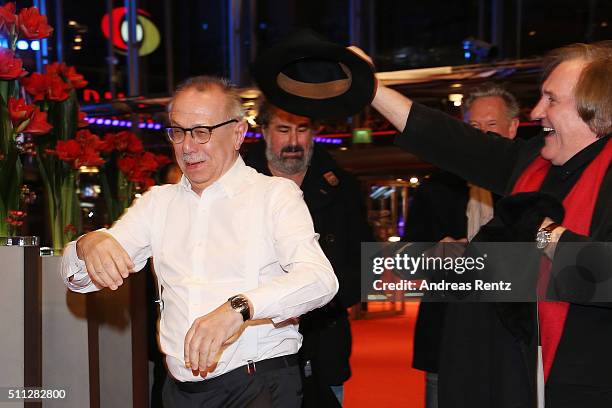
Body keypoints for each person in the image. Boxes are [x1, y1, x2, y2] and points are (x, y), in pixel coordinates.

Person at [351, 42, 612, 407]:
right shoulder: (532, 162)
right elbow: (454, 142)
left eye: (551, 100)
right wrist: (372, 89)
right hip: (516, 379)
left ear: (594, 109)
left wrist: (540, 232)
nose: (537, 111)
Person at [60, 76, 339, 408]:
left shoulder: (274, 196)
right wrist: (87, 245)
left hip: (257, 386)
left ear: (237, 133)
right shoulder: (157, 203)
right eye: (178, 132)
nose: (187, 147)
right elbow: (80, 280)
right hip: (179, 391)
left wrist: (240, 308)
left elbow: (320, 280)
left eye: (201, 132)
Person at [245, 101, 373, 407]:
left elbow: (365, 262)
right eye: (283, 129)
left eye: (302, 130)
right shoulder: (238, 186)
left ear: (313, 133)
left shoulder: (344, 188)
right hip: (254, 340)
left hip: (324, 337)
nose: (293, 142)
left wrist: (319, 299)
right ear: (264, 131)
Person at [406, 84, 520, 408]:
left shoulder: (530, 186)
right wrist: (432, 255)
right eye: (473, 128)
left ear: (513, 128)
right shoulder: (435, 189)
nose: (481, 137)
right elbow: (405, 261)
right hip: (446, 334)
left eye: (491, 127)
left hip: (512, 337)